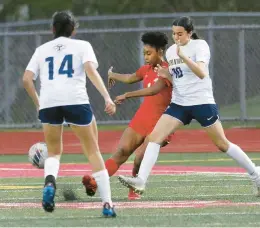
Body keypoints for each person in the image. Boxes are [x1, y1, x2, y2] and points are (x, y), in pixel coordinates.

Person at [118, 16, 260, 196]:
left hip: (201, 101)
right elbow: (178, 79)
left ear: (190, 33)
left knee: (222, 144)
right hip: (180, 103)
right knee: (154, 137)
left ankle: (256, 175)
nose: (176, 38)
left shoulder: (200, 46)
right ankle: (141, 181)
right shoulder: (170, 51)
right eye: (174, 34)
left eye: (180, 34)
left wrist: (184, 56)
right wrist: (166, 74)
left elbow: (201, 73)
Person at [23, 10, 116, 217]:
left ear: (52, 29)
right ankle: (107, 204)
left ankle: (49, 184)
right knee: (93, 151)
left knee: (54, 152)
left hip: (49, 103)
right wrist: (107, 97)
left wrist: (39, 104)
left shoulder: (41, 50)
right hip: (76, 100)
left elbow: (26, 79)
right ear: (73, 29)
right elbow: (91, 71)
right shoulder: (83, 46)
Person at [82, 31, 172, 200]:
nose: (145, 57)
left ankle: (134, 188)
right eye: (144, 53)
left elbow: (154, 90)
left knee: (139, 157)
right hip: (143, 117)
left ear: (160, 52)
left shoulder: (167, 70)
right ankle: (95, 182)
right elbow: (131, 77)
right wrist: (112, 75)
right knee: (122, 151)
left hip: (162, 122)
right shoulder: (146, 69)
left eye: (149, 53)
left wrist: (127, 95)